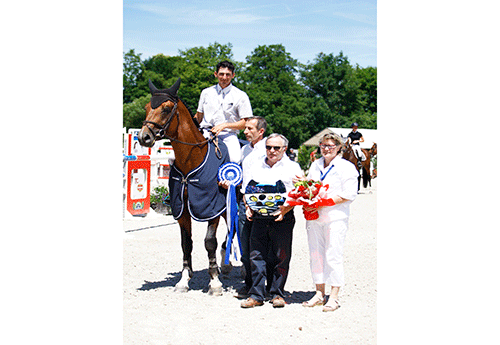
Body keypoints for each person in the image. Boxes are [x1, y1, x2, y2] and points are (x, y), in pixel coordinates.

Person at [240, 134, 303, 309]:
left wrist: (285, 209)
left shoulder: (293, 167)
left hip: (282, 216)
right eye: (269, 147)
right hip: (258, 217)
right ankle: (256, 295)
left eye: (276, 148)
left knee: (280, 256)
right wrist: (248, 207)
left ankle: (277, 293)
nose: (272, 151)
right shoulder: (255, 165)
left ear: (284, 149)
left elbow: (298, 194)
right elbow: (246, 189)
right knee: (256, 256)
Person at [300, 133, 359, 312]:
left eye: (331, 146)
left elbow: (349, 194)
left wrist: (324, 202)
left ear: (339, 147)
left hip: (335, 216)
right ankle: (319, 292)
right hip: (315, 216)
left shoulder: (346, 167)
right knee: (315, 254)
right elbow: (310, 186)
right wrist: (303, 188)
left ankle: (334, 296)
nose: (326, 149)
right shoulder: (315, 164)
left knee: (333, 254)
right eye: (324, 145)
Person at [196, 61, 253, 163]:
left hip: (228, 135)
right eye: (221, 74)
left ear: (233, 75)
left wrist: (224, 125)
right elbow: (199, 116)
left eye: (228, 74)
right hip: (205, 132)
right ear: (215, 74)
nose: (224, 77)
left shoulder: (241, 95)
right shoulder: (205, 93)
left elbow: (245, 123)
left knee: (235, 159)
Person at [236, 116, 267, 298]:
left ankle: (268, 285)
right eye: (245, 129)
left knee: (264, 245)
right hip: (244, 201)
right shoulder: (244, 150)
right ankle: (249, 284)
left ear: (260, 131)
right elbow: (240, 173)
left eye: (249, 129)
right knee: (245, 245)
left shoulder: (269, 148)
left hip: (264, 202)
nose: (245, 132)